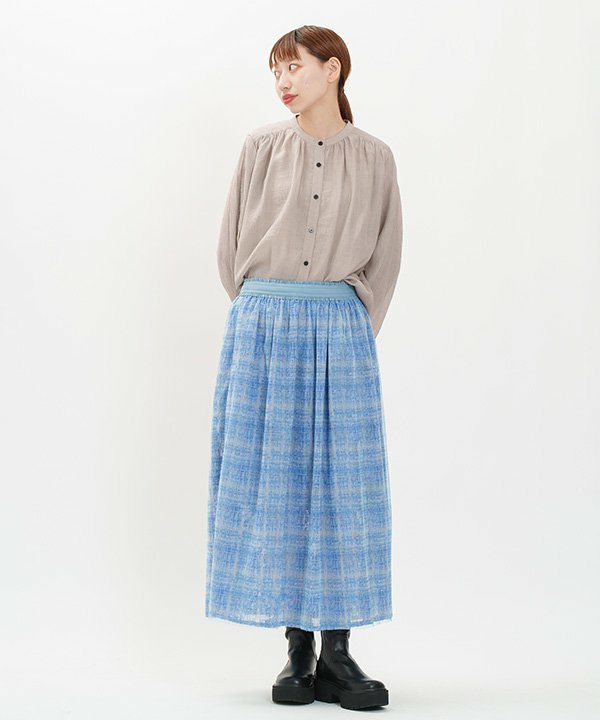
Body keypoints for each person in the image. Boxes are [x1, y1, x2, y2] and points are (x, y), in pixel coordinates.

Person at [205, 25, 403, 711]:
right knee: (278, 485)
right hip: (265, 326)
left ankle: (338, 653)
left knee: (345, 490)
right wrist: (265, 315)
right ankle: (297, 651)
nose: (283, 82)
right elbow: (230, 250)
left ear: (333, 69)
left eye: (294, 67)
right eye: (276, 71)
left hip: (341, 330)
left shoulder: (375, 157)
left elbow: (386, 257)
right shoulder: (260, 148)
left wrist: (347, 329)